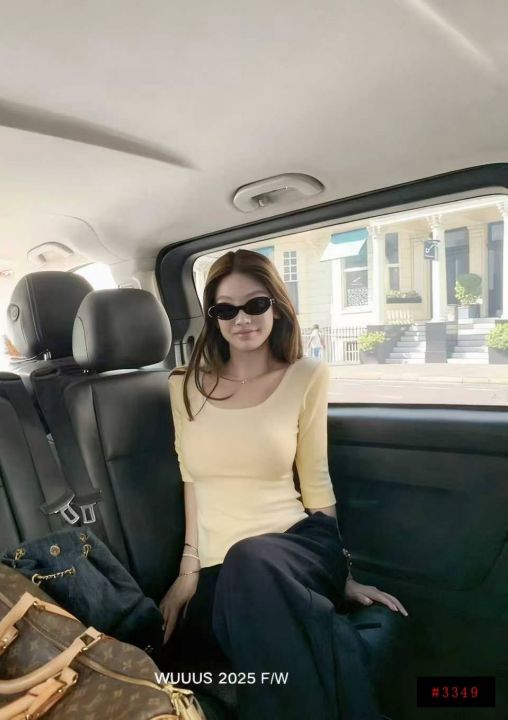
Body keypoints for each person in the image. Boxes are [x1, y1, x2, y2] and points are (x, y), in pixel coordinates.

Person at [157, 249, 407, 719]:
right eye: (226, 309)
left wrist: (341, 573)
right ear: (213, 317)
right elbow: (191, 478)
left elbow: (315, 477)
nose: (242, 319)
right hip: (222, 568)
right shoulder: (183, 385)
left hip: (297, 547)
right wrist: (187, 570)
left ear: (276, 306)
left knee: (251, 557)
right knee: (244, 564)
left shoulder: (306, 375)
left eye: (255, 304)